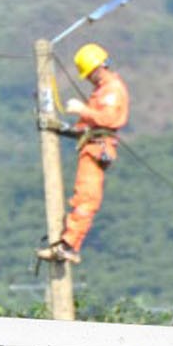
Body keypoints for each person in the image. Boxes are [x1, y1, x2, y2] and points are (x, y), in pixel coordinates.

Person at [39, 42, 129, 265]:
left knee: (86, 199)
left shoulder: (112, 90)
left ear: (98, 68)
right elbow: (85, 127)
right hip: (91, 145)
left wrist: (83, 110)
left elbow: (107, 120)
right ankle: (67, 244)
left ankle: (68, 246)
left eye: (89, 74)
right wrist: (61, 128)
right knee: (83, 197)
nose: (88, 79)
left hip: (99, 147)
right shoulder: (101, 92)